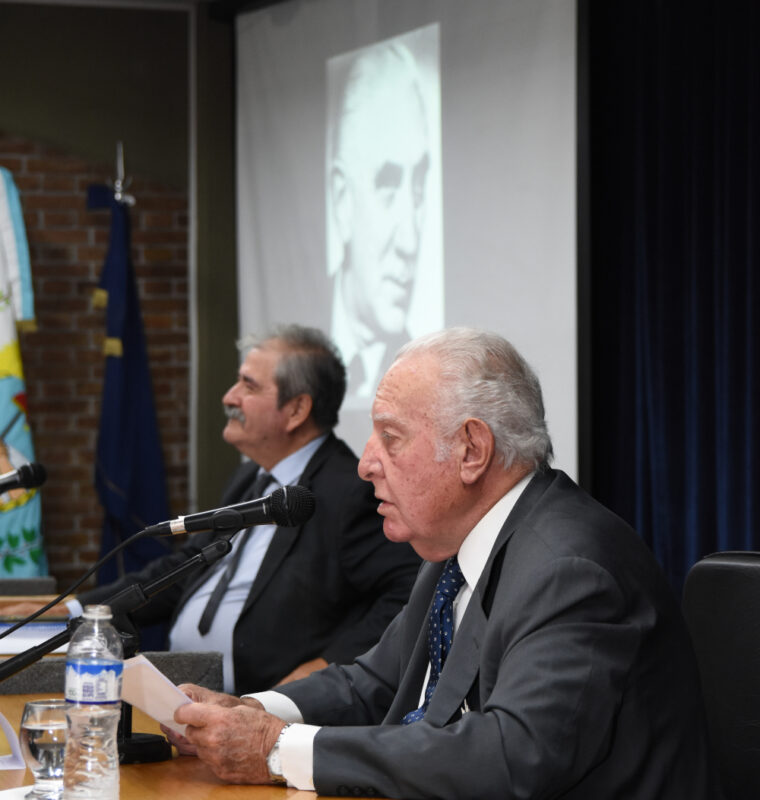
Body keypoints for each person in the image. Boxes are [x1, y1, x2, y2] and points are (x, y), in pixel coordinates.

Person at [168, 327, 717, 799]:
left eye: (391, 437)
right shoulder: (456, 547)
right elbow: (373, 682)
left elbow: (512, 754)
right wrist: (248, 711)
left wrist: (276, 749)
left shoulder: (570, 570)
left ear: (472, 450)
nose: (365, 464)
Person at [13, 324, 420, 695]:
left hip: (263, 700)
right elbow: (183, 570)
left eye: (248, 386)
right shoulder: (250, 478)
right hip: (183, 682)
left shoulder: (349, 490)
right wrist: (73, 610)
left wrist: (328, 666)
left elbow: (407, 592)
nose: (229, 397)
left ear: (297, 410)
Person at [328, 39, 432, 401]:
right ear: (342, 201)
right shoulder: (295, 345)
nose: (410, 241)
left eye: (418, 187)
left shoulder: (427, 373)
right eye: (387, 184)